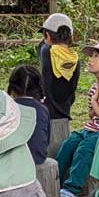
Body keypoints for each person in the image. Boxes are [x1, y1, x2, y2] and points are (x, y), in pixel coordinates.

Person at [55, 40, 99, 197]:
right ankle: (54, 184)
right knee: (68, 145)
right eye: (91, 56)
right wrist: (95, 104)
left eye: (95, 56)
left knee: (84, 150)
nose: (90, 60)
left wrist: (94, 103)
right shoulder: (94, 87)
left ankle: (71, 191)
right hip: (92, 128)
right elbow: (92, 115)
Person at [38, 13, 80, 157]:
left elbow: (42, 46)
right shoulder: (75, 59)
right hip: (64, 115)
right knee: (61, 157)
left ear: (48, 36)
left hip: (48, 116)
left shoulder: (46, 52)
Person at [6, 64, 50, 165]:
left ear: (12, 88)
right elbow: (46, 140)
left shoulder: (6, 108)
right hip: (38, 158)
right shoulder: (43, 109)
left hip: (13, 161)